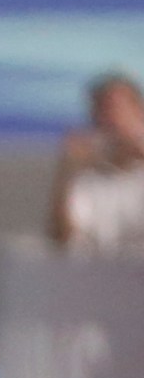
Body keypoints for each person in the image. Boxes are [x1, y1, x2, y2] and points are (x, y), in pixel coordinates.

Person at [49, 72, 144, 255]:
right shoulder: (87, 177)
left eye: (118, 109)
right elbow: (63, 239)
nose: (112, 120)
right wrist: (66, 172)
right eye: (102, 111)